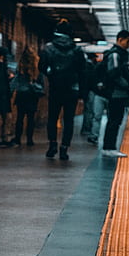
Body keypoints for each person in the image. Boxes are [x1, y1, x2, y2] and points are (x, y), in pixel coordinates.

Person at [38, 19, 87, 162]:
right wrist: (82, 92)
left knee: (52, 118)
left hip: (55, 88)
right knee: (68, 120)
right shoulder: (77, 50)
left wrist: (51, 73)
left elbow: (41, 67)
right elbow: (83, 71)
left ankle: (52, 145)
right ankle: (64, 149)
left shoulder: (49, 48)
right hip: (72, 89)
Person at [101, 30, 129, 157]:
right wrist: (127, 85)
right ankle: (109, 147)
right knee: (114, 120)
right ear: (120, 39)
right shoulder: (115, 55)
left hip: (117, 93)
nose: (128, 44)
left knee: (115, 120)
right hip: (116, 93)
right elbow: (114, 73)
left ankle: (109, 147)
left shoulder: (119, 54)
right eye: (127, 41)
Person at [11, 47, 44, 146]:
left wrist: (11, 90)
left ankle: (18, 139)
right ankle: (29, 139)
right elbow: (41, 81)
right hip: (32, 95)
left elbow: (16, 80)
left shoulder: (20, 66)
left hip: (22, 94)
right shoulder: (37, 67)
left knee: (20, 118)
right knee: (31, 118)